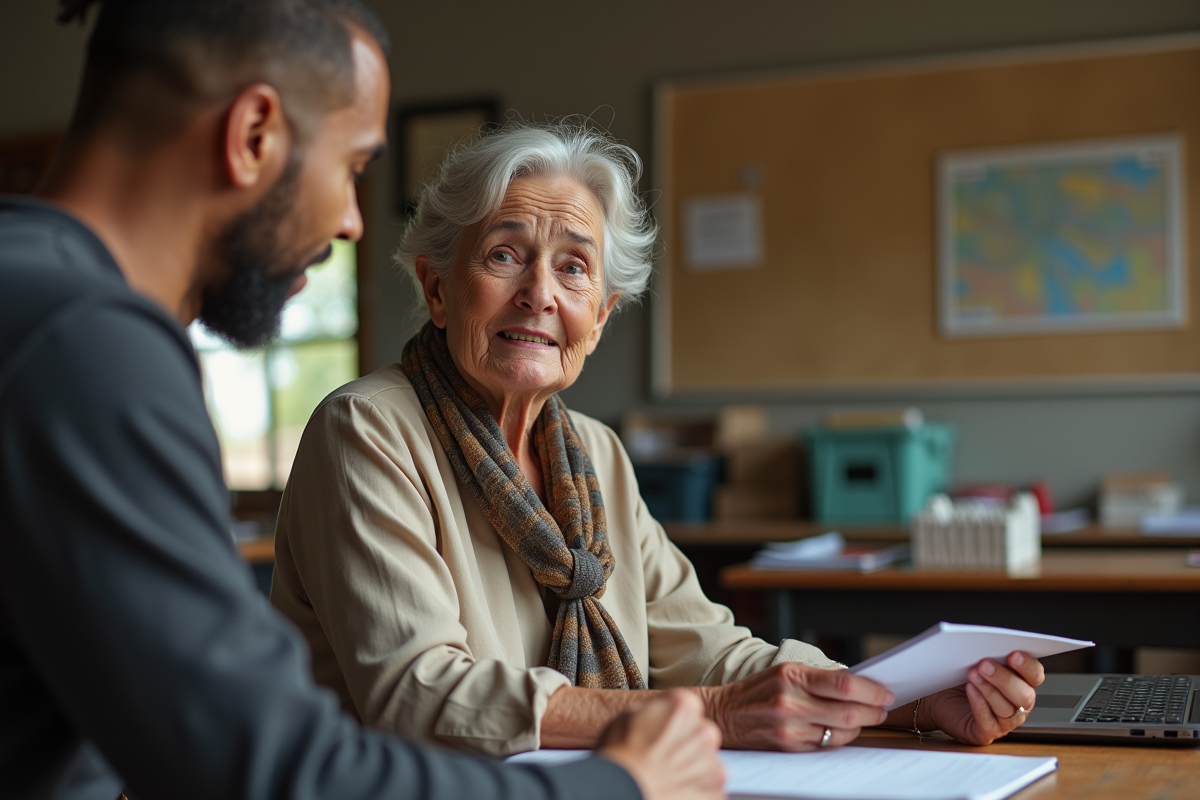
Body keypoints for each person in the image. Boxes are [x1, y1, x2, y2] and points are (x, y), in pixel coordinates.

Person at [0, 2, 727, 799]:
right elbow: (268, 763)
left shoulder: (41, 303)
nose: (352, 221)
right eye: (351, 166)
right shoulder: (84, 344)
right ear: (253, 135)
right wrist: (620, 783)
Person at [270, 121, 1046, 758]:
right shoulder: (366, 429)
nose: (540, 292)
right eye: (505, 254)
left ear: (600, 319)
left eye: (574, 269)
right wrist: (712, 712)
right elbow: (417, 693)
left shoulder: (595, 455)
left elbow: (707, 648)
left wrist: (903, 703)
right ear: (437, 288)